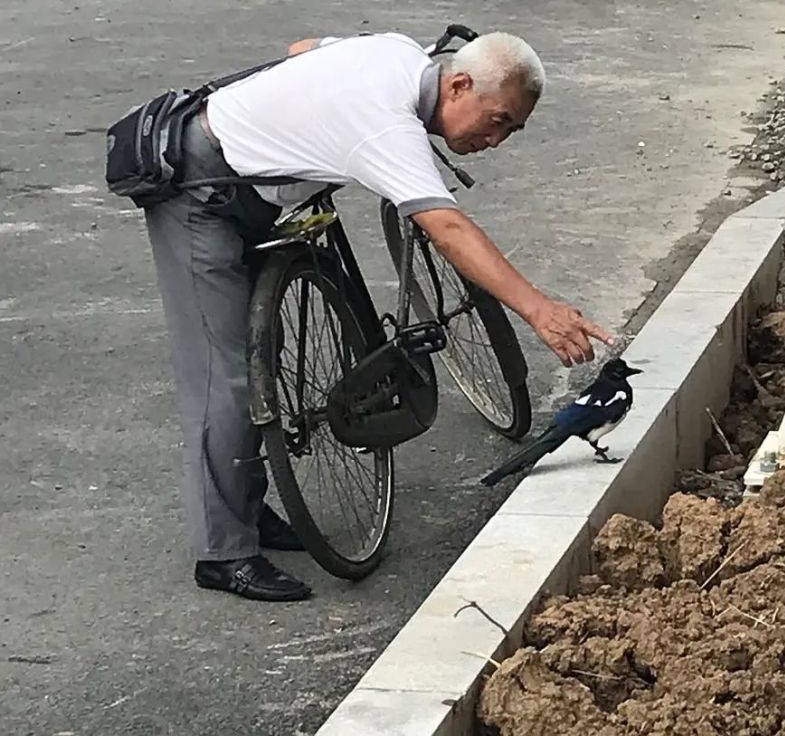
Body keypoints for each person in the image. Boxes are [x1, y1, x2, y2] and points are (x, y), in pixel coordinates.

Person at [145, 30, 613, 602]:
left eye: (511, 131)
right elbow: (447, 227)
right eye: (497, 120)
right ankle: (223, 552)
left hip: (251, 181)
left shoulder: (400, 53)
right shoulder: (388, 125)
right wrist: (540, 311)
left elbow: (303, 48)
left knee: (252, 348)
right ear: (459, 84)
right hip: (203, 191)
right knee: (224, 377)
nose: (495, 140)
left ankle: (244, 505)